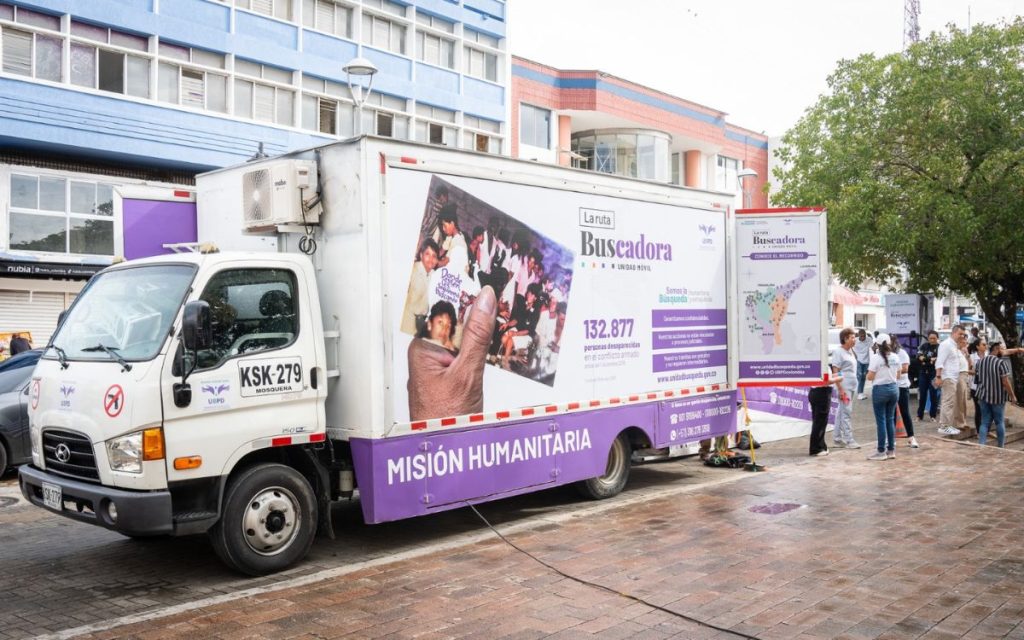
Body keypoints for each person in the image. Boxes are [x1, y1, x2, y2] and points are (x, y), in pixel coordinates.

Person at [407, 286, 498, 422]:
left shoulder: (456, 344)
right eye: (440, 322)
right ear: (430, 324)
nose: (444, 328)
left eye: (448, 325)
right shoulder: (428, 348)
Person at [975, 341, 1018, 447]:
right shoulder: (1000, 363)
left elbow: (977, 380)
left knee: (984, 422)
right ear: (996, 349)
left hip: (983, 396)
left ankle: (981, 445)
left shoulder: (980, 362)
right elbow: (1005, 382)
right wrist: (1012, 396)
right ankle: (1000, 446)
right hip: (998, 397)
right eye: (1001, 349)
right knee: (999, 421)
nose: (1002, 351)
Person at [866, 338, 901, 460]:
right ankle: (891, 450)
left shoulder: (876, 358)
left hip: (880, 390)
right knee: (890, 419)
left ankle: (881, 451)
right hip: (894, 389)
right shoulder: (896, 356)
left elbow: (870, 377)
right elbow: (899, 374)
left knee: (881, 421)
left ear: (878, 345)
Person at [829, 328, 861, 449]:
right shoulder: (839, 352)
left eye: (854, 337)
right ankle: (849, 440)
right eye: (852, 337)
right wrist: (840, 389)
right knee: (846, 412)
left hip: (851, 386)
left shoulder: (850, 351)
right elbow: (835, 370)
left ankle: (837, 439)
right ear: (845, 339)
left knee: (841, 411)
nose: (854, 340)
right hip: (844, 387)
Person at [400, 238, 440, 335]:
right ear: (421, 255)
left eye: (434, 256)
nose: (431, 259)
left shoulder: (434, 275)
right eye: (427, 254)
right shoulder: (412, 271)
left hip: (422, 322)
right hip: (407, 321)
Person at [934, 325, 965, 435]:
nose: (962, 336)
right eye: (960, 334)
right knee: (948, 402)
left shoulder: (954, 345)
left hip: (953, 378)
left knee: (950, 402)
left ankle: (948, 425)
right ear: (954, 333)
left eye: (963, 334)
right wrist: (938, 377)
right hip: (948, 377)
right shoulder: (946, 344)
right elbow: (939, 362)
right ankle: (944, 426)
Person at [891, 337, 919, 448]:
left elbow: (905, 368)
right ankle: (891, 438)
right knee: (891, 413)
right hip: (891, 386)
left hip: (902, 386)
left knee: (905, 412)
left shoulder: (901, 353)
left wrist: (891, 371)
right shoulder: (885, 354)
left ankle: (911, 437)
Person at [808, 373, 844, 457]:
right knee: (820, 422)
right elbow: (826, 381)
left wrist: (835, 375)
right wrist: (839, 378)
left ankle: (820, 446)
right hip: (821, 392)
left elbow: (825, 377)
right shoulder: (822, 364)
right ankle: (816, 449)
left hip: (815, 391)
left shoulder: (817, 364)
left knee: (818, 422)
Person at [917, 330, 940, 422]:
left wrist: (925, 359)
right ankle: (919, 415)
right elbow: (919, 357)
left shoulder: (940, 348)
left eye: (934, 338)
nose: (932, 340)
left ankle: (933, 415)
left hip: (934, 373)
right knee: (922, 394)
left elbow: (938, 359)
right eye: (930, 338)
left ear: (937, 338)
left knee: (933, 394)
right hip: (923, 373)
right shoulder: (924, 346)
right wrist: (930, 359)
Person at [968, 339, 987, 433]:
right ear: (977, 346)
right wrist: (978, 373)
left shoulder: (989, 356)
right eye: (983, 344)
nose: (985, 346)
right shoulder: (971, 357)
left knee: (986, 410)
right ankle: (979, 431)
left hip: (987, 387)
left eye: (986, 344)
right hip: (975, 387)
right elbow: (967, 370)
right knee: (978, 409)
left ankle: (985, 429)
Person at [853, 329, 874, 400]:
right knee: (860, 376)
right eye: (861, 336)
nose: (863, 338)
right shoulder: (855, 340)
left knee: (864, 376)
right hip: (859, 360)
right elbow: (851, 348)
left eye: (864, 336)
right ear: (858, 335)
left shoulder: (869, 339)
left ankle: (861, 392)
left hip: (867, 360)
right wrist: (855, 355)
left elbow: (872, 347)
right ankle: (859, 393)